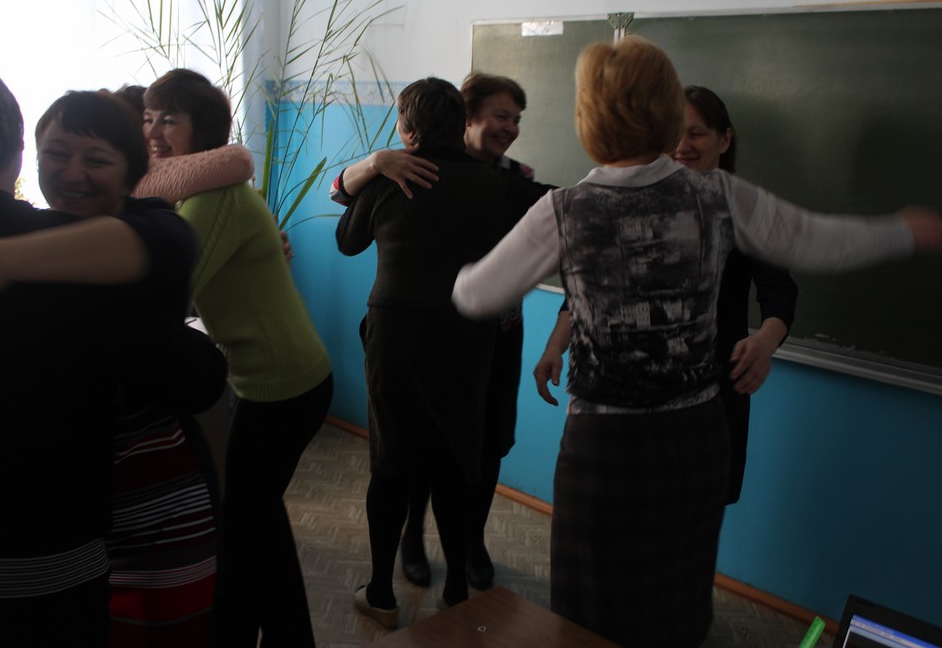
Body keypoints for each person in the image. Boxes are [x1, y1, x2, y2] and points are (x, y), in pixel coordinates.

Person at [451, 36, 941, 648]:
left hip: (604, 447)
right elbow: (817, 239)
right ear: (663, 112)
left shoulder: (565, 209)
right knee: (676, 610)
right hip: (694, 439)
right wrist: (906, 230)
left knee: (586, 616)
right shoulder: (718, 194)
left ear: (589, 117)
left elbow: (474, 295)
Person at [0, 50, 227, 647]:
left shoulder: (80, 246)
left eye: (97, 159)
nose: (72, 174)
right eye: (57, 153)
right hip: (49, 573)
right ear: (20, 149)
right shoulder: (75, 263)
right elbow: (199, 376)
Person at [335, 77, 544, 625]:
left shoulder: (392, 177)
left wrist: (376, 167)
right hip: (466, 337)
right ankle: (455, 591)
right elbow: (560, 209)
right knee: (457, 461)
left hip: (395, 336)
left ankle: (381, 594)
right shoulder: (498, 185)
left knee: (391, 464)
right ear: (462, 125)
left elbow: (347, 241)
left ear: (408, 132)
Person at [140, 68, 333, 648]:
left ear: (201, 130)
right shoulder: (198, 194)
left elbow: (173, 289)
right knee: (259, 520)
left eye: (169, 120)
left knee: (242, 532)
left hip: (283, 386)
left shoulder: (213, 197)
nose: (153, 131)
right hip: (274, 381)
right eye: (147, 118)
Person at [533, 85, 799, 505]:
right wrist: (555, 346)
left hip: (708, 392)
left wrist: (765, 340)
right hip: (628, 391)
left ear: (724, 139)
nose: (682, 145)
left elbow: (779, 289)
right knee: (626, 507)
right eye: (675, 133)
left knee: (693, 512)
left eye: (697, 133)